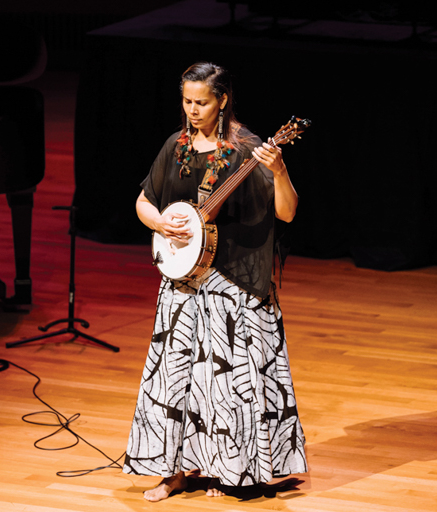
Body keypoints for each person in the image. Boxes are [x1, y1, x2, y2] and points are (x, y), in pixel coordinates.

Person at [123, 62, 307, 502]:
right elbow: (144, 201)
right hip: (184, 278)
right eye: (187, 101)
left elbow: (287, 212)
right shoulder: (177, 145)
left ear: (222, 100)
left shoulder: (248, 149)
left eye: (201, 102)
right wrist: (162, 226)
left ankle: (232, 471)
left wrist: (279, 170)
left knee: (229, 383)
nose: (192, 110)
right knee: (175, 379)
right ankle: (175, 473)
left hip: (234, 282)